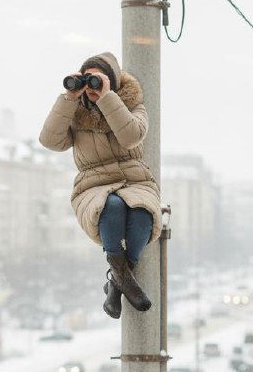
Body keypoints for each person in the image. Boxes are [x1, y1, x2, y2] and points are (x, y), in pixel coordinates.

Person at [39, 52, 162, 318]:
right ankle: (123, 280)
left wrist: (107, 98)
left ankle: (117, 281)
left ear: (113, 81)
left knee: (143, 212)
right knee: (112, 205)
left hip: (136, 180)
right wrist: (69, 99)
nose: (92, 87)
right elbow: (50, 141)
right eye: (87, 80)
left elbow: (130, 137)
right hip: (92, 185)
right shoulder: (75, 113)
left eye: (98, 80)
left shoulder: (133, 105)